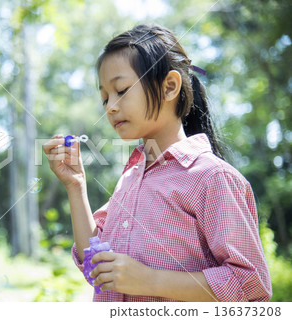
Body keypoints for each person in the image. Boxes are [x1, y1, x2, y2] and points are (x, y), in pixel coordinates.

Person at [43, 24, 272, 302]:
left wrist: (149, 280)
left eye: (122, 90)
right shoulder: (129, 180)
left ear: (169, 87)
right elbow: (95, 265)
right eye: (105, 97)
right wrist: (75, 185)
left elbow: (249, 285)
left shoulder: (212, 177)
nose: (110, 107)